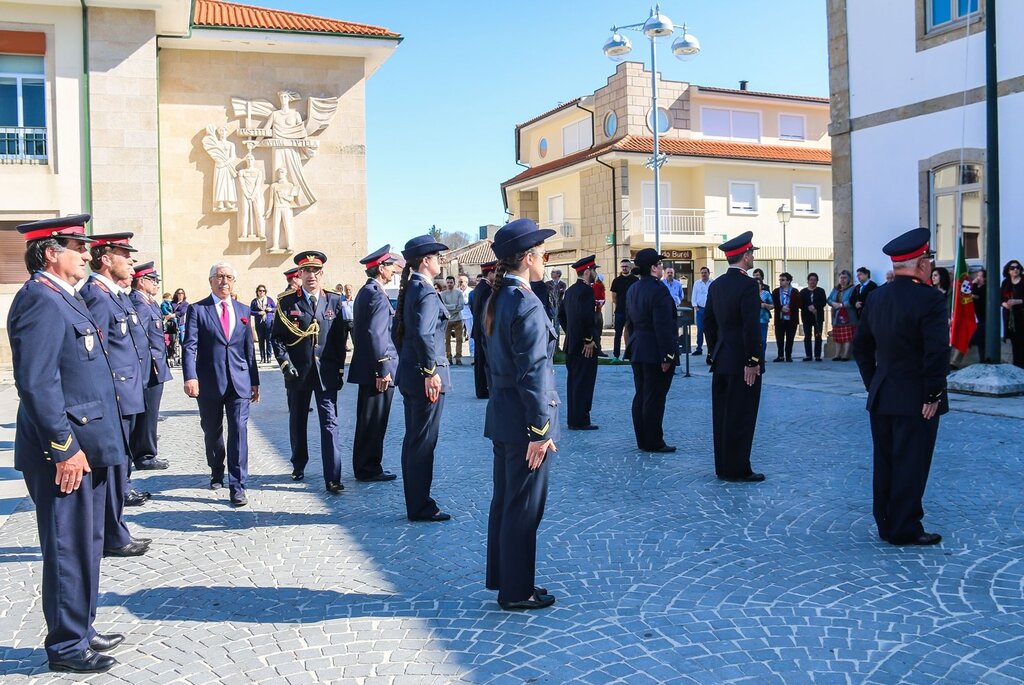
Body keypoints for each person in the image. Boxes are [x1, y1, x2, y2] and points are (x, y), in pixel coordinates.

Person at [9, 215, 129, 674]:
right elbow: (37, 384)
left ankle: (82, 625)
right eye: (78, 245)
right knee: (67, 547)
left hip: (88, 446)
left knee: (87, 541)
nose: (87, 253)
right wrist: (63, 447)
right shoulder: (39, 300)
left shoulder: (65, 297)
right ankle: (65, 646)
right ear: (50, 252)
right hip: (64, 451)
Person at [482, 218, 559, 611]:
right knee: (523, 507)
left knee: (507, 501)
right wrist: (539, 429)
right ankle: (516, 591)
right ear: (528, 258)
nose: (546, 258)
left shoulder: (500, 296)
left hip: (503, 416)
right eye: (542, 253)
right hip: (524, 422)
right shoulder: (525, 302)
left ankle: (507, 580)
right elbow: (532, 372)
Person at [853, 227, 948, 546]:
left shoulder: (876, 296)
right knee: (912, 461)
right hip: (916, 398)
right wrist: (932, 393)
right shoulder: (931, 299)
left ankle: (886, 522)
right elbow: (936, 352)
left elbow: (861, 347)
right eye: (929, 260)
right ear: (921, 264)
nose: (931, 266)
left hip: (883, 394)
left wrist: (873, 383)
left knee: (886, 460)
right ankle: (905, 526)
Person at [79, 233, 152, 559]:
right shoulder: (96, 296)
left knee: (121, 468)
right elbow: (97, 353)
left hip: (128, 392)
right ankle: (112, 535)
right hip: (116, 395)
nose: (132, 261)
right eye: (126, 255)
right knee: (114, 468)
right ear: (106, 259)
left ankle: (115, 529)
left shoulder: (115, 295)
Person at [182, 261, 260, 507]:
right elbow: (189, 345)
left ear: (234, 282)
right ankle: (216, 469)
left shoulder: (244, 311)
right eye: (219, 276)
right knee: (212, 429)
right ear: (211, 281)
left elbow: (249, 350)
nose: (224, 281)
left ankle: (238, 485)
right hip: (209, 381)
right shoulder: (198, 310)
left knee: (239, 430)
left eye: (228, 277)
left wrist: (255, 382)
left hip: (239, 381)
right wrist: (190, 376)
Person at [272, 251, 347, 493]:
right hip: (298, 373)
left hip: (325, 374)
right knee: (298, 420)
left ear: (322, 274)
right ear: (299, 274)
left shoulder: (334, 301)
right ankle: (298, 463)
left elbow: (339, 338)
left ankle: (333, 476)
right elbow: (278, 339)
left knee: (329, 423)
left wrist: (338, 368)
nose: (311, 276)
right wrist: (285, 365)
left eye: (316, 271)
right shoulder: (286, 302)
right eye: (307, 271)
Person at [394, 235, 452, 522]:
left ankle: (415, 502)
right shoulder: (426, 292)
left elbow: (400, 333)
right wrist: (430, 371)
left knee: (415, 440)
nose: (440, 262)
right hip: (426, 377)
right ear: (426, 261)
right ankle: (420, 506)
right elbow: (423, 333)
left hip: (411, 374)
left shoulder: (414, 288)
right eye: (437, 257)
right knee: (423, 443)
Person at [703, 231, 765, 483]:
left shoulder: (716, 284)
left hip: (722, 358)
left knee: (723, 414)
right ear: (745, 255)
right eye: (751, 253)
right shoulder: (749, 285)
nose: (752, 258)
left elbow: (708, 322)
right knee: (742, 415)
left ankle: (723, 466)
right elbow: (750, 326)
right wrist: (752, 361)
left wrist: (713, 350)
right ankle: (738, 468)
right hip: (742, 361)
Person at [348, 246, 400, 483]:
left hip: (368, 368)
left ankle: (364, 465)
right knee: (374, 421)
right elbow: (377, 334)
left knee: (368, 419)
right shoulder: (377, 294)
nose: (393, 270)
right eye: (390, 265)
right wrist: (382, 368)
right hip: (377, 370)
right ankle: (369, 467)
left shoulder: (366, 291)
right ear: (381, 268)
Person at [625, 248, 678, 453]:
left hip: (638, 347)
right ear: (654, 268)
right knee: (655, 397)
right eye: (660, 265)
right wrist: (668, 355)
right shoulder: (659, 289)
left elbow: (629, 322)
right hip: (655, 350)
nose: (662, 268)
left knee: (642, 394)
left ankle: (643, 439)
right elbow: (663, 325)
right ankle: (654, 441)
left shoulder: (633, 289)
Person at [128, 262, 173, 476]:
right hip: (148, 366)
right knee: (146, 412)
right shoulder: (138, 302)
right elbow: (139, 339)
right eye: (152, 280)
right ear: (141, 281)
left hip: (155, 364)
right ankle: (145, 456)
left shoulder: (150, 302)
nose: (156, 284)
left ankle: (147, 451)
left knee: (151, 412)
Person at [558, 255, 600, 431]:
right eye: (594, 270)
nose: (596, 274)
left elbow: (561, 315)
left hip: (572, 344)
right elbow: (585, 317)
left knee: (574, 382)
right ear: (587, 271)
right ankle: (581, 420)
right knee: (584, 382)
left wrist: (572, 333)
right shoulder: (586, 291)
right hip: (584, 346)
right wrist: (588, 339)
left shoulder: (570, 291)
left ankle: (574, 418)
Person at [471, 261, 498, 399]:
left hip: (477, 329)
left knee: (480, 360)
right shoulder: (487, 289)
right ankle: (483, 390)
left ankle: (481, 388)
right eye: (496, 272)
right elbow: (488, 311)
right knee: (483, 361)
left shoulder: (479, 288)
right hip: (483, 330)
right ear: (490, 273)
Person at [610, 258, 639, 361]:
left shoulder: (635, 280)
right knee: (617, 333)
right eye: (622, 266)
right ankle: (616, 355)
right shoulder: (616, 281)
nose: (624, 268)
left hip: (632, 312)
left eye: (626, 266)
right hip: (619, 311)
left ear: (630, 267)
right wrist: (620, 306)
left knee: (631, 333)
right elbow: (614, 296)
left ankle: (629, 354)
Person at [771, 272, 802, 362]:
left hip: (791, 318)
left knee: (790, 338)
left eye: (783, 280)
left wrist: (789, 307)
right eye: (780, 280)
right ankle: (780, 355)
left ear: (788, 281)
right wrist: (781, 307)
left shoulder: (795, 291)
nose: (781, 281)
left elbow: (798, 303)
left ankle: (788, 355)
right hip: (780, 318)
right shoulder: (776, 291)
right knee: (779, 338)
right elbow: (774, 303)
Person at [828, 270, 857, 361]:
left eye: (845, 278)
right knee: (837, 336)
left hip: (848, 315)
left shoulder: (853, 288)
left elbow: (852, 300)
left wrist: (842, 305)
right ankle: (837, 355)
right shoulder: (836, 289)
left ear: (849, 279)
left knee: (847, 337)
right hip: (837, 316)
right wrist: (833, 303)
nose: (842, 280)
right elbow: (829, 299)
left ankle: (845, 355)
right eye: (841, 278)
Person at [1001, 259, 1024, 368]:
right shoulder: (1006, 282)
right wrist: (1004, 304)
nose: (1015, 270)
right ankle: (1017, 367)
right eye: (1012, 268)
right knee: (1014, 343)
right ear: (1008, 271)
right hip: (1010, 317)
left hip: (1021, 315)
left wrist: (1018, 301)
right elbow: (1000, 298)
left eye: (1017, 268)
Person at [800, 273, 827, 361]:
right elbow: (800, 303)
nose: (812, 282)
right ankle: (808, 355)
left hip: (817, 316)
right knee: (807, 336)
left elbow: (823, 302)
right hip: (806, 317)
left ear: (817, 281)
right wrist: (808, 307)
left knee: (818, 335)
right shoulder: (803, 292)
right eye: (811, 280)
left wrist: (815, 306)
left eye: (814, 280)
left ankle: (818, 355)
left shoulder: (821, 291)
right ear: (807, 281)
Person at [440, 275, 466, 365]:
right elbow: (443, 306)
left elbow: (461, 306)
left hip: (458, 319)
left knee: (459, 339)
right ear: (446, 283)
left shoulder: (459, 293)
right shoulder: (442, 294)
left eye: (451, 282)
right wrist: (453, 306)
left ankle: (458, 357)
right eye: (448, 282)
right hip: (447, 320)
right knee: (447, 340)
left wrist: (451, 309)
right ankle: (449, 357)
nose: (449, 284)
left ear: (454, 283)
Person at [249, 285, 276, 364]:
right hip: (259, 323)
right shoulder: (254, 301)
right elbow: (250, 311)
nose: (261, 292)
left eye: (263, 291)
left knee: (269, 341)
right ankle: (262, 358)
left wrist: (271, 309)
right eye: (260, 291)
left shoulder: (269, 300)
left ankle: (269, 357)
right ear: (257, 292)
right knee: (261, 341)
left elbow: (276, 308)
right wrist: (258, 313)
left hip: (268, 322)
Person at [752, 268, 773, 360]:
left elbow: (772, 305)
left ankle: (762, 357)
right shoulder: (749, 294)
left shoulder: (766, 293)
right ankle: (753, 358)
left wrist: (764, 305)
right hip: (752, 320)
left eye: (758, 284)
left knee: (762, 340)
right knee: (752, 340)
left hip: (763, 319)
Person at [691, 266, 712, 355]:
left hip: (710, 310)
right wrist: (695, 306)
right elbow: (694, 295)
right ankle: (699, 348)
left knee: (710, 330)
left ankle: (711, 349)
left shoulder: (713, 282)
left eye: (705, 272)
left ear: (708, 273)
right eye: (702, 273)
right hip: (700, 309)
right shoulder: (697, 283)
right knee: (700, 330)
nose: (703, 274)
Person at [970, 268, 987, 362]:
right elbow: (966, 291)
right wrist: (972, 283)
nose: (978, 278)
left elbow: (976, 296)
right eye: (977, 276)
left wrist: (971, 295)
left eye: (980, 276)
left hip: (984, 317)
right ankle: (982, 360)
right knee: (981, 342)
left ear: (985, 278)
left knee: (977, 338)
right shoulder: (975, 286)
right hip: (977, 317)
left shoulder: (985, 287)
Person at [546, 269, 567, 339]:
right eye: (551, 272)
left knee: (556, 326)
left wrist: (555, 286)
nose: (551, 274)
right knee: (548, 326)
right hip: (549, 307)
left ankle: (556, 344)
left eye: (553, 272)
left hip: (558, 307)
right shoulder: (547, 284)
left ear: (558, 274)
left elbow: (561, 293)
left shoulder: (563, 284)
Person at [459, 275, 474, 356]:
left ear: (466, 282)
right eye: (459, 282)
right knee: (459, 336)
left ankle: (472, 351)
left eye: (461, 282)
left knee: (470, 334)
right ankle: (458, 353)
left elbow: (469, 302)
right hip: (459, 315)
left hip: (468, 315)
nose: (460, 283)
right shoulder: (458, 291)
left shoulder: (470, 291)